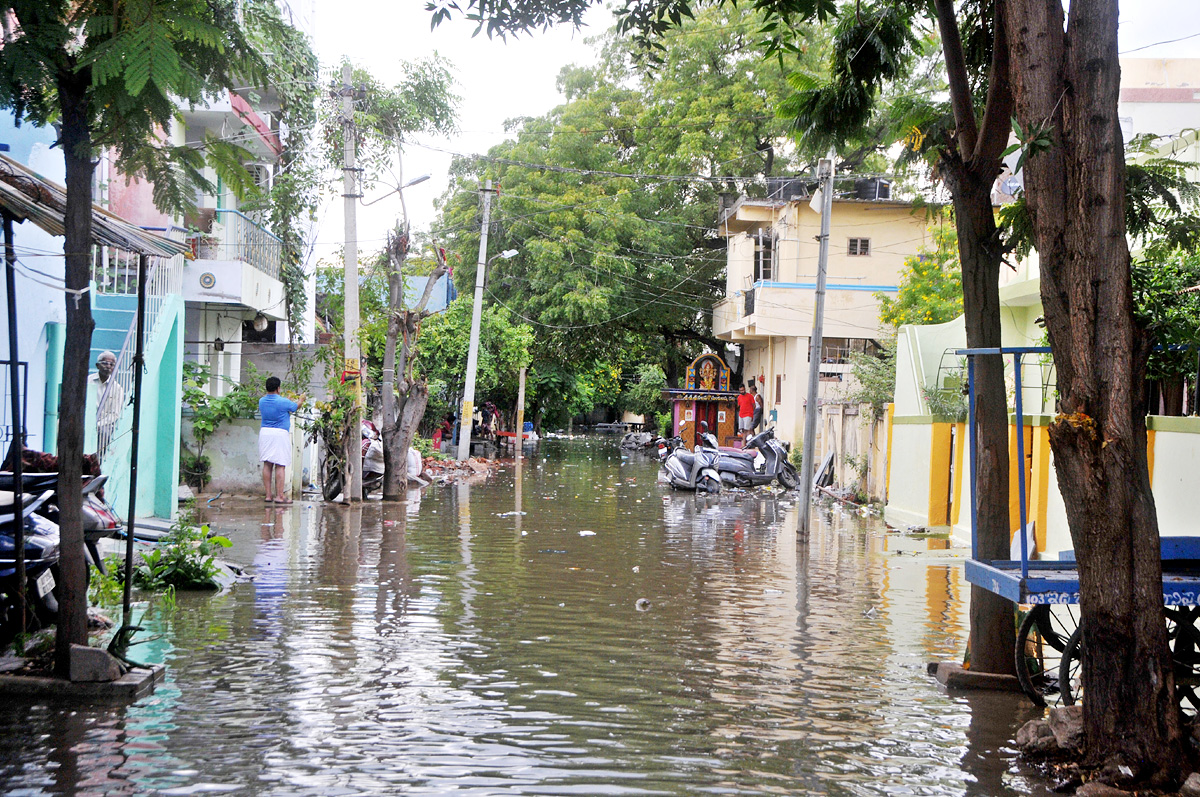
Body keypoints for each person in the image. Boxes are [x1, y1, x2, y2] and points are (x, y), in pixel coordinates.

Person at [259, 376, 305, 505]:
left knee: (267, 464)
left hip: (265, 433)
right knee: (280, 465)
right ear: (278, 388)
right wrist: (301, 399)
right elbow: (295, 407)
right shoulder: (283, 402)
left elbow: (278, 409)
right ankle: (280, 496)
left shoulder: (261, 401)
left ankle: (268, 495)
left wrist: (287, 400)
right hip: (279, 434)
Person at [87, 350, 125, 457]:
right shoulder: (88, 382)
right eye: (105, 363)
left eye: (112, 364)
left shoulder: (117, 389)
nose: (108, 366)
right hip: (86, 420)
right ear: (97, 365)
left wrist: (97, 424)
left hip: (104, 424)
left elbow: (114, 414)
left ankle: (98, 463)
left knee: (104, 433)